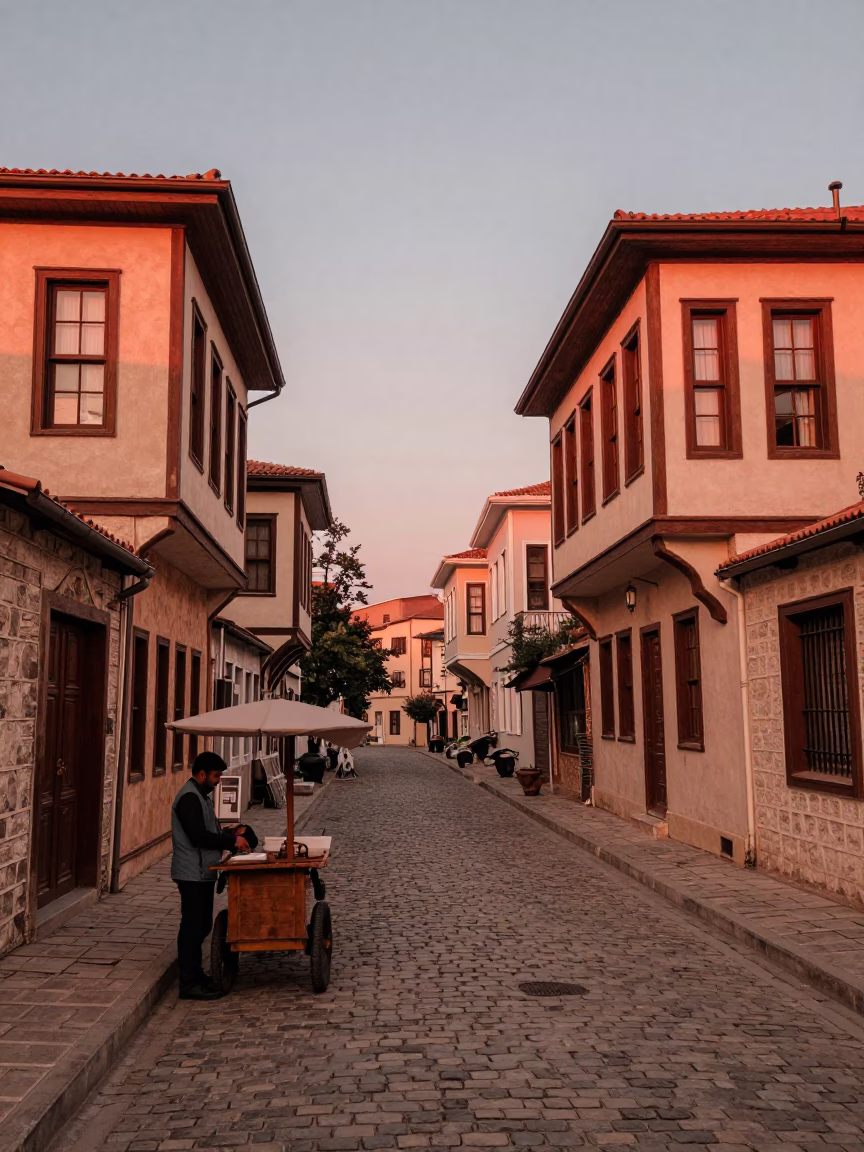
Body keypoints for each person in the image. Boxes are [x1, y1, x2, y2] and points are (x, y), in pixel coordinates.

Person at [171, 751, 250, 1000]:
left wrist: (231, 832)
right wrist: (231, 840)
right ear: (202, 773)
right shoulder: (189, 798)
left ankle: (195, 975)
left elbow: (208, 829)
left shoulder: (200, 796)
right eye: (216, 776)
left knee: (201, 924)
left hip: (202, 871)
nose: (218, 781)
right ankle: (188, 983)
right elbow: (198, 836)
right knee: (192, 927)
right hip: (191, 872)